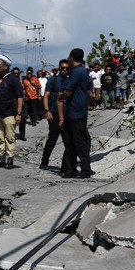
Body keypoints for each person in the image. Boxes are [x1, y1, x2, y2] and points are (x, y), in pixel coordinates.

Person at [59, 48, 94, 179]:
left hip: (75, 112)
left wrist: (61, 96)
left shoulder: (76, 72)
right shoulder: (83, 71)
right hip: (75, 111)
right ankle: (70, 170)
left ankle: (84, 170)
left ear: (72, 58)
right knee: (71, 142)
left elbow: (68, 91)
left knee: (78, 142)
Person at [0, 55, 23, 169]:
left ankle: (10, 158)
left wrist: (19, 114)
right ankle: (1, 158)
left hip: (9, 114)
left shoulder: (13, 79)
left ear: (6, 66)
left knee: (10, 137)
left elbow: (20, 97)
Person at [40, 59, 69, 171]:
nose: (65, 70)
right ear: (59, 68)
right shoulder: (53, 80)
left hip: (66, 114)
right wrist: (47, 111)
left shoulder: (70, 80)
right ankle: (44, 161)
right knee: (52, 140)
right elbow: (46, 96)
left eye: (67, 68)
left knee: (67, 141)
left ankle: (65, 166)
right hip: (54, 113)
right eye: (63, 68)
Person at [18, 66, 41, 139]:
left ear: (32, 73)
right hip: (27, 98)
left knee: (34, 109)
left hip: (34, 97)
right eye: (28, 73)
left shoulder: (35, 79)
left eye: (30, 73)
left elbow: (39, 87)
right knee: (28, 110)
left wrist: (39, 95)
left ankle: (34, 121)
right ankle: (30, 119)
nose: (29, 74)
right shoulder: (24, 80)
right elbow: (22, 88)